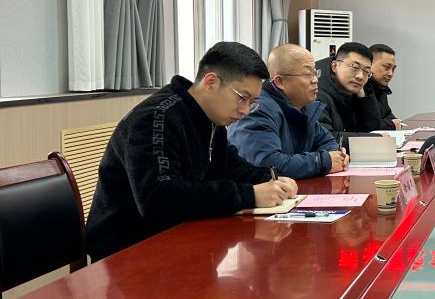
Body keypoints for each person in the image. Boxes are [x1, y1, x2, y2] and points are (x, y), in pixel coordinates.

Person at [85, 42, 298, 261]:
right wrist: (250, 195)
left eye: (252, 103)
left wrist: (272, 178)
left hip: (179, 238)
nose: (245, 110)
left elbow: (231, 166)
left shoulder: (211, 117)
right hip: (128, 251)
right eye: (242, 98)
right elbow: (158, 199)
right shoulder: (156, 118)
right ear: (211, 82)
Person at [228, 44, 348, 179]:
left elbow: (327, 142)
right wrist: (322, 161)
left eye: (315, 73)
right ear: (280, 82)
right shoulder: (258, 109)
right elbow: (268, 165)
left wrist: (337, 157)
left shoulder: (304, 107)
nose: (315, 80)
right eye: (308, 74)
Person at [315, 41, 381, 146]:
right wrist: (376, 139)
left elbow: (373, 127)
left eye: (366, 71)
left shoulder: (354, 91)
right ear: (334, 66)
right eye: (354, 67)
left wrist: (363, 97)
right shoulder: (316, 94)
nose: (360, 76)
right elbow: (327, 139)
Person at [365, 43, 401, 131]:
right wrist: (392, 124)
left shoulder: (381, 87)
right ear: (369, 64)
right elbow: (369, 126)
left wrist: (392, 123)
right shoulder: (361, 88)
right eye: (387, 67)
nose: (390, 74)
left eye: (393, 69)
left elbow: (388, 115)